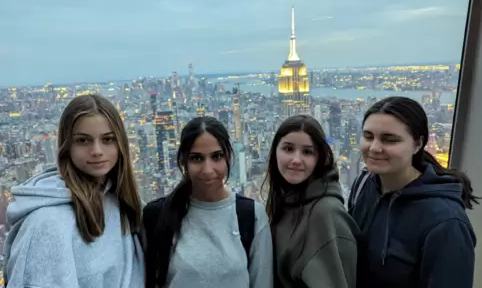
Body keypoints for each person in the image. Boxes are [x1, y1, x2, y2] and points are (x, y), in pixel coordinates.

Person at [3, 94, 144, 287]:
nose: (97, 151)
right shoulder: (46, 222)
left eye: (108, 139)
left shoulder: (118, 203)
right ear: (66, 145)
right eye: (83, 141)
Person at [348, 96, 478, 288]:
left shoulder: (446, 223)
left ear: (418, 144)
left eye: (389, 139)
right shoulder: (364, 184)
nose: (374, 148)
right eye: (368, 136)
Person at [143, 116, 273, 288]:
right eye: (197, 158)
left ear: (229, 157)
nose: (208, 169)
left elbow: (262, 282)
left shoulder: (251, 216)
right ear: (183, 161)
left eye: (217, 156)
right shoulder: (158, 216)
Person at [262, 114, 359, 288]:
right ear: (275, 151)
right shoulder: (283, 201)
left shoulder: (325, 213)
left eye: (307, 152)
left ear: (320, 159)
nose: (296, 160)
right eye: (288, 149)